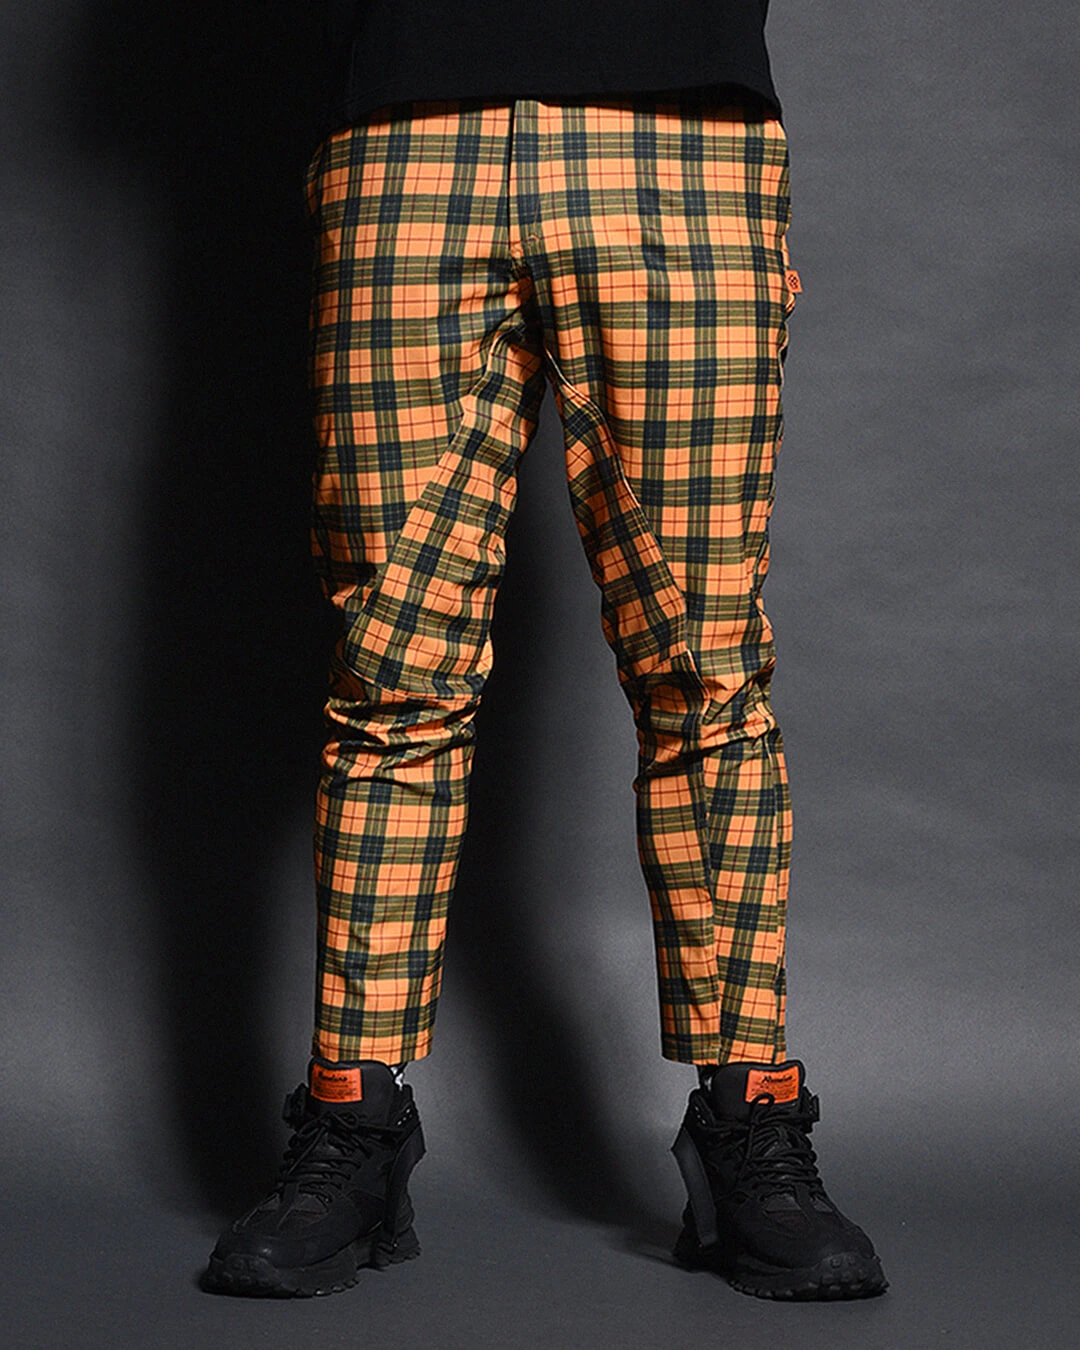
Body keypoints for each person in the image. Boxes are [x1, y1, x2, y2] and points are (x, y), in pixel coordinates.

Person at [205, 0, 888, 1301]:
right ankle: (355, 1119)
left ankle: (747, 1122)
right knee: (390, 671)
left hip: (678, 123)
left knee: (704, 671)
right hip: (408, 125)